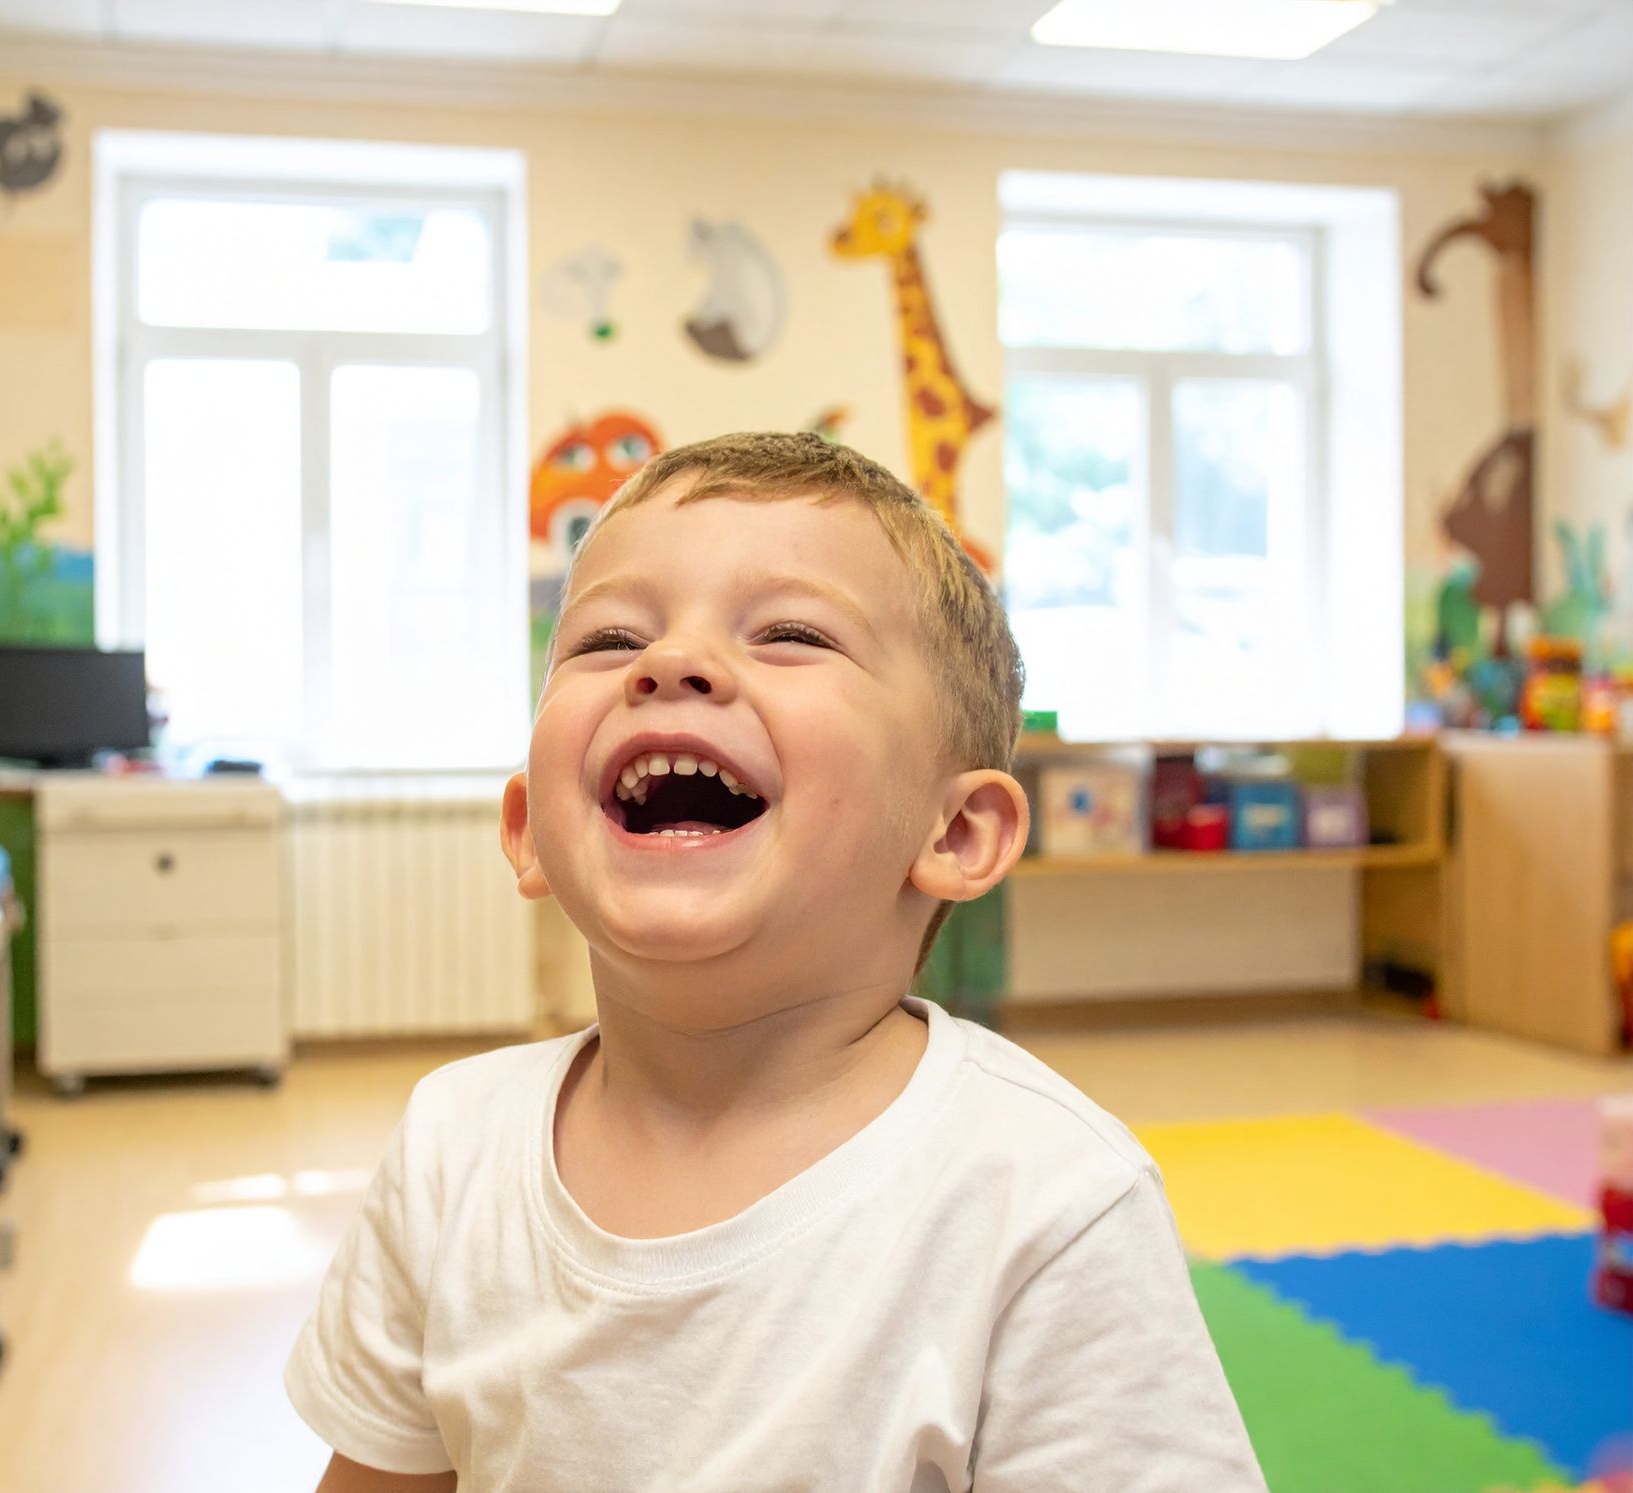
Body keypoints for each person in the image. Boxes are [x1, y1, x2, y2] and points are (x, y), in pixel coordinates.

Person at [287, 432, 1265, 1492]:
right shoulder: (452, 1148)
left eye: (792, 632)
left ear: (957, 833)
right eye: (611, 638)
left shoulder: (1050, 1203)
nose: (669, 663)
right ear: (528, 827)